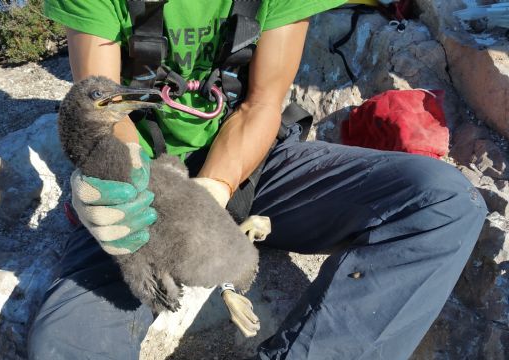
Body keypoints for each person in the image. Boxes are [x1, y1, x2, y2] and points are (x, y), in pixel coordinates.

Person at [28, 1, 488, 359]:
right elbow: (101, 110)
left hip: (256, 164)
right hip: (147, 184)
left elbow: (262, 103)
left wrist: (210, 193)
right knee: (68, 344)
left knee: (442, 201)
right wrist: (121, 181)